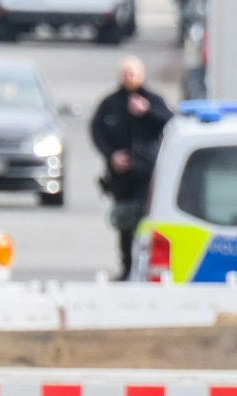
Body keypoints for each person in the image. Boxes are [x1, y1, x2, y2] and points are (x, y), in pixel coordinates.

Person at [90, 56, 174, 280]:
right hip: (121, 175)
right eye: (125, 73)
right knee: (125, 221)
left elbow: (171, 123)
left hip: (146, 173)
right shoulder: (110, 103)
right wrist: (111, 156)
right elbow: (97, 132)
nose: (129, 78)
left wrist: (147, 112)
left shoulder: (153, 100)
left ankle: (145, 266)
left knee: (145, 221)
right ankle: (127, 267)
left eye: (133, 73)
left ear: (141, 75)